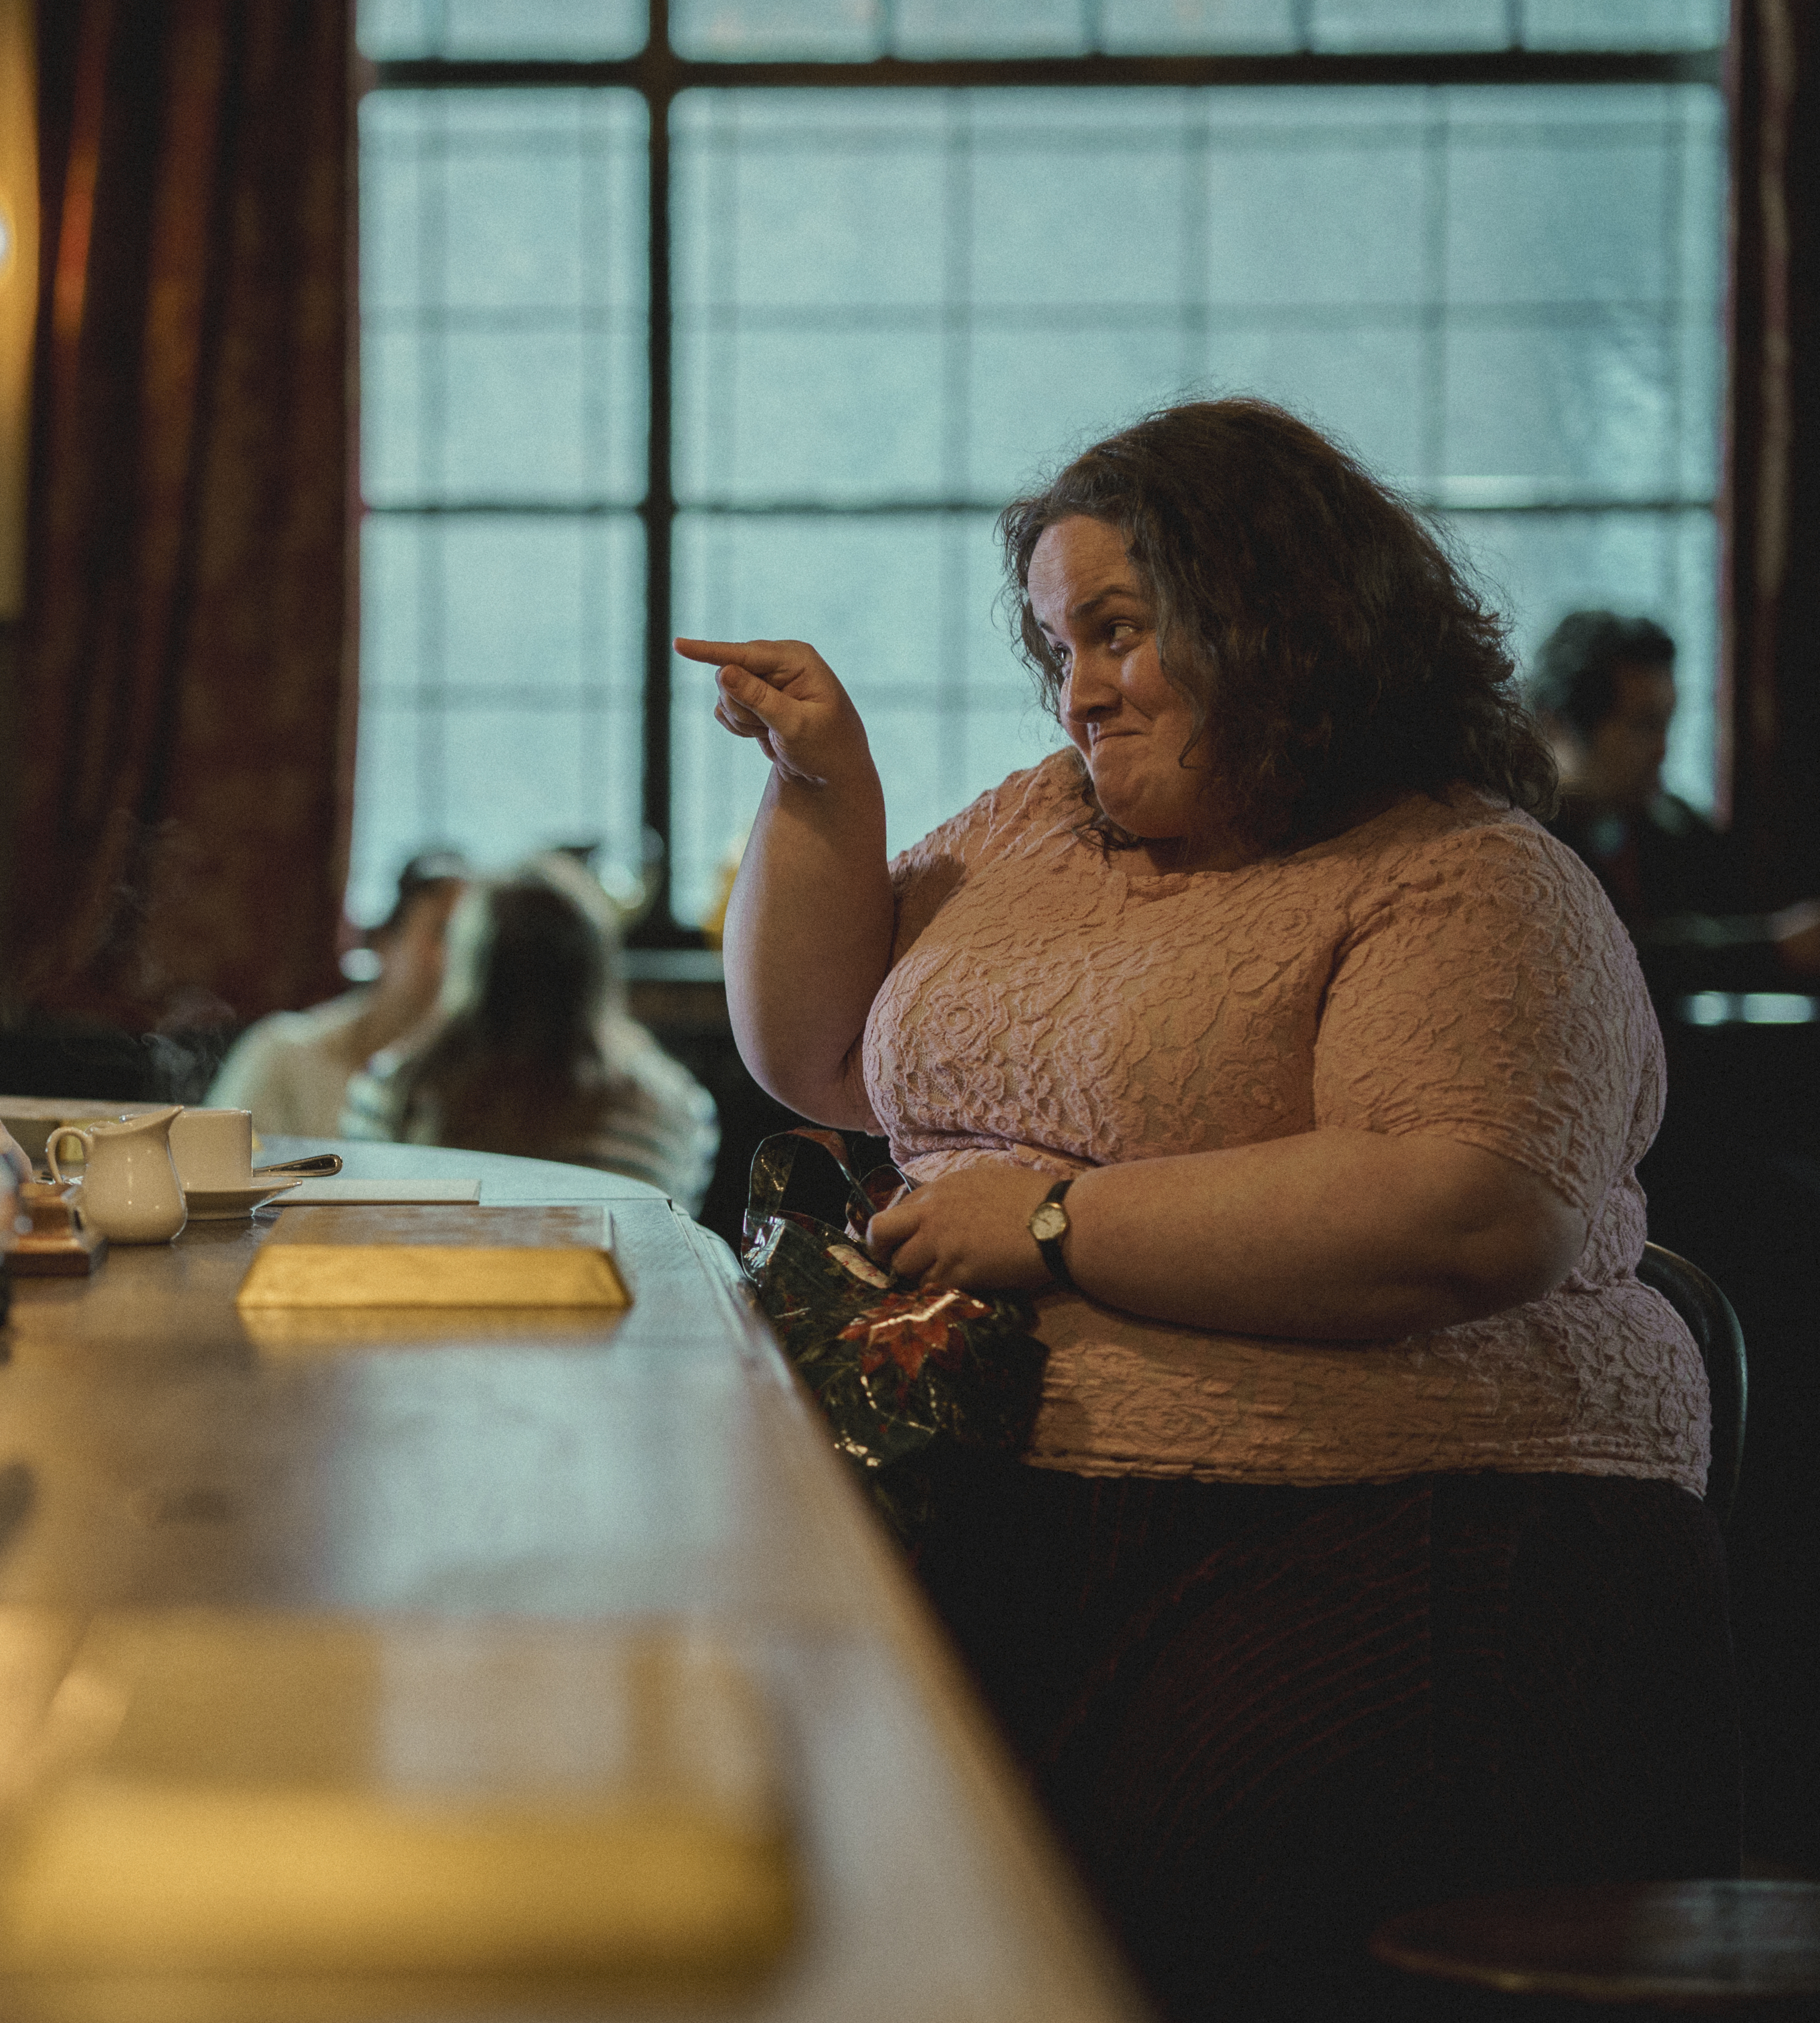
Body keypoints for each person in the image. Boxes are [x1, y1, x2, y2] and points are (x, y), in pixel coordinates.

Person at [684, 398, 1735, 2020]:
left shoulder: (1464, 876)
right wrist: (824, 786)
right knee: (772, 1819)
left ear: (1277, 618)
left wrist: (1049, 1229)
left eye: (1115, 630)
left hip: (1409, 1521)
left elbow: (1467, 1208)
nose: (1077, 686)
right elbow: (818, 1055)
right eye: (1052, 643)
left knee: (1115, 1906)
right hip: (1022, 1492)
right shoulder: (1037, 824)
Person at [340, 853, 716, 1206]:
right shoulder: (671, 1111)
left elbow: (377, 1225)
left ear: (468, 967)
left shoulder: (389, 1095)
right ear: (595, 972)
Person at [1529, 607, 1820, 999]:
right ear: (1557, 725)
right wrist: (1772, 948)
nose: (1663, 750)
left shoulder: (1680, 832)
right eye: (1643, 726)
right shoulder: (1522, 845)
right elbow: (1600, 961)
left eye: (1668, 724)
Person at [203, 851, 467, 1137]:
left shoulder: (465, 1087)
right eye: (442, 933)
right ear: (385, 942)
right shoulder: (284, 1053)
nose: (457, 958)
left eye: (471, 942)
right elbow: (211, 1159)